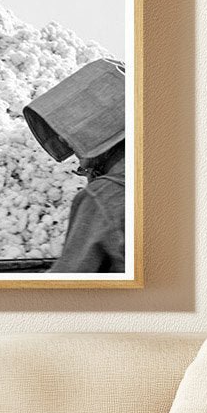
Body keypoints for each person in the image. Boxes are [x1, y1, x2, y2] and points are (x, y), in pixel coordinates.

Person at [22, 59, 126, 273]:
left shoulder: (104, 196)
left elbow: (68, 282)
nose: (65, 141)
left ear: (99, 132)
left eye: (71, 133)